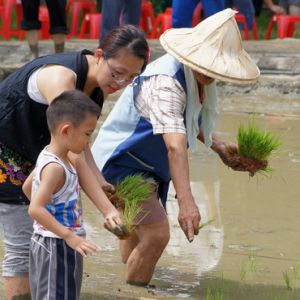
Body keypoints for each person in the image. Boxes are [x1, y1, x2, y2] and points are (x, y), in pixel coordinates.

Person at [92, 8, 261, 286]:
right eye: (205, 65)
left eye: (215, 68)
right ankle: (136, 290)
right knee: (157, 234)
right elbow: (175, 145)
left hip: (145, 162)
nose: (209, 72)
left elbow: (188, 117)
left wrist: (218, 146)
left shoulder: (195, 78)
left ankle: (126, 281)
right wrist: (186, 202)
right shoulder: (166, 82)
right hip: (121, 160)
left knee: (137, 233)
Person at [0, 25, 149, 299]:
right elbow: (72, 150)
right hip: (6, 151)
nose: (120, 83)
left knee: (39, 239)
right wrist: (106, 210)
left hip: (34, 155)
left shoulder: (98, 87)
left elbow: (81, 142)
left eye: (131, 78)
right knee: (21, 245)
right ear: (100, 54)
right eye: (117, 72)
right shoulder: (61, 77)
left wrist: (101, 182)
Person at [22, 90, 100, 300]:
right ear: (66, 130)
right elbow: (35, 208)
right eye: (87, 133)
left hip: (50, 242)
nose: (89, 141)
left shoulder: (48, 154)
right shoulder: (56, 167)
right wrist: (68, 236)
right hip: (56, 245)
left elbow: (28, 188)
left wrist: (51, 214)